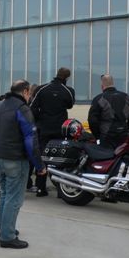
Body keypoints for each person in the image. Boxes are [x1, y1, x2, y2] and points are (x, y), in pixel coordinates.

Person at [0, 80, 46, 249]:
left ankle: (4, 229)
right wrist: (39, 165)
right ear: (26, 92)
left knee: (5, 195)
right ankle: (7, 237)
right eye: (30, 94)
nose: (30, 97)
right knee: (14, 199)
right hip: (16, 160)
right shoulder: (22, 109)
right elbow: (30, 140)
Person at [29, 68, 75, 197]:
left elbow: (33, 107)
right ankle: (60, 191)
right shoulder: (68, 91)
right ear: (67, 77)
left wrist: (39, 119)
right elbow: (70, 105)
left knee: (42, 156)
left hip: (44, 128)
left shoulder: (42, 89)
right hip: (60, 128)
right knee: (60, 158)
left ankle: (40, 188)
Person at [88, 74, 129, 149]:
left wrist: (97, 135)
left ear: (102, 85)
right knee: (122, 155)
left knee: (106, 155)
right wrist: (128, 128)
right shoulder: (127, 97)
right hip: (123, 133)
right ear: (113, 83)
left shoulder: (99, 99)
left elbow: (92, 120)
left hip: (106, 135)